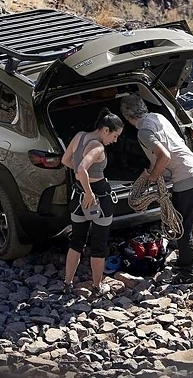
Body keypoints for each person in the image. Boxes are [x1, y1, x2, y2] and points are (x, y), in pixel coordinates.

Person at [120, 92, 193, 286]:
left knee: (182, 226)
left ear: (127, 116)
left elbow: (164, 156)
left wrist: (151, 178)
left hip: (185, 176)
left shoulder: (143, 132)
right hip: (192, 169)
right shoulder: (157, 117)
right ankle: (185, 260)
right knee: (184, 221)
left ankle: (188, 272)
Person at [60, 108, 124, 297]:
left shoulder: (79, 136)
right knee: (99, 244)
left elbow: (66, 160)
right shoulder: (98, 147)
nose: (115, 140)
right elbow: (82, 168)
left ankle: (67, 283)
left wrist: (82, 180)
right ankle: (97, 287)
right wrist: (89, 192)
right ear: (105, 130)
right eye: (115, 135)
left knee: (76, 242)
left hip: (77, 196)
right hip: (98, 197)